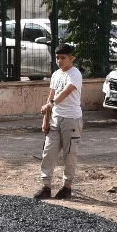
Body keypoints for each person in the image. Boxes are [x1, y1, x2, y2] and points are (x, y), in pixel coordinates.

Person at [34, 42, 82, 200]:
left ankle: (67, 187)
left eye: (62, 58)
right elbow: (51, 96)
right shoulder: (56, 75)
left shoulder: (75, 74)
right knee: (48, 152)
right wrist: (45, 119)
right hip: (55, 118)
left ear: (71, 58)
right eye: (57, 58)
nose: (59, 61)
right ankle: (46, 186)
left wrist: (52, 104)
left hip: (71, 119)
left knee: (69, 154)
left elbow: (66, 92)